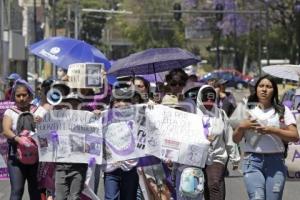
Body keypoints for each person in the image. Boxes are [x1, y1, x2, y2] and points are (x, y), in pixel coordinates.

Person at [233, 75, 299, 200]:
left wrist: (272, 130)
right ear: (256, 89)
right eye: (261, 86)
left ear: (274, 90)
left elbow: (295, 136)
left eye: (268, 87)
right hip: (252, 162)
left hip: (276, 163)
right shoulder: (245, 106)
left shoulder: (282, 110)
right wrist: (241, 127)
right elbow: (235, 139)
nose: (264, 89)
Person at [2, 79, 46, 200]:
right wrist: (18, 139)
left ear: (30, 95)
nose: (21, 98)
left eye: (24, 95)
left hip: (37, 159)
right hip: (15, 158)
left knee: (35, 191)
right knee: (17, 191)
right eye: (18, 95)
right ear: (14, 97)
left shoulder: (40, 111)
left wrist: (43, 123)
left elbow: (50, 131)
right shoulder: (10, 112)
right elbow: (6, 130)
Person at [196, 85, 240, 200]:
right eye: (206, 99)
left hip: (217, 156)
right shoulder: (193, 115)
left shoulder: (221, 114)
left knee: (214, 183)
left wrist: (234, 158)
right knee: (202, 188)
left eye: (212, 99)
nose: (209, 102)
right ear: (200, 98)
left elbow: (229, 136)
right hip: (197, 158)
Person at [103, 87, 143, 200]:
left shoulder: (137, 117)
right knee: (111, 198)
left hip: (130, 168)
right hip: (111, 169)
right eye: (118, 101)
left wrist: (150, 107)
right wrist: (95, 116)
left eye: (126, 101)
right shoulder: (104, 118)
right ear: (112, 104)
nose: (121, 104)